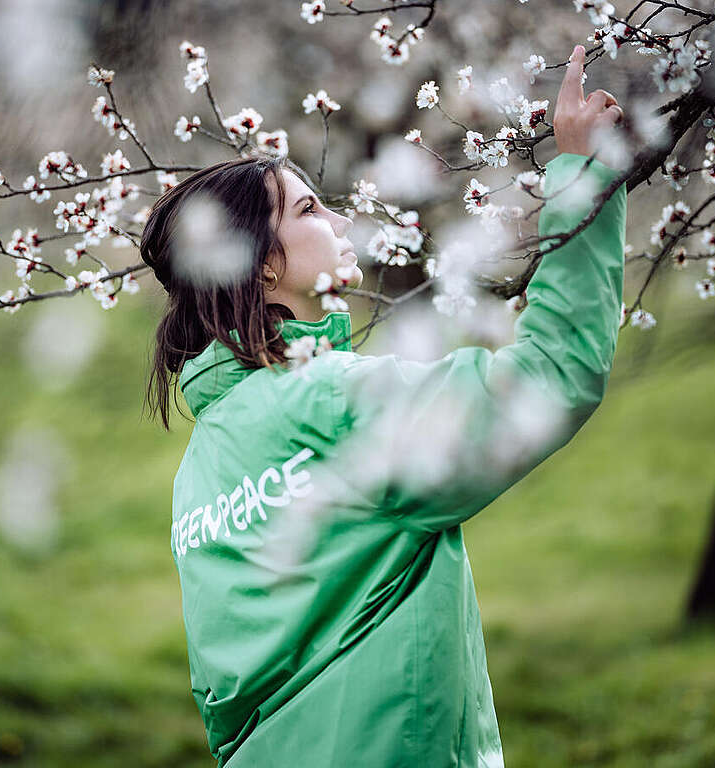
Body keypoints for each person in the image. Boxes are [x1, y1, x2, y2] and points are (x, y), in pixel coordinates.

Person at [141, 43, 627, 767]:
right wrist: (582, 173)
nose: (337, 219)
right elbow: (553, 375)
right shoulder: (333, 402)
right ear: (265, 264)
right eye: (308, 208)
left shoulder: (200, 468)